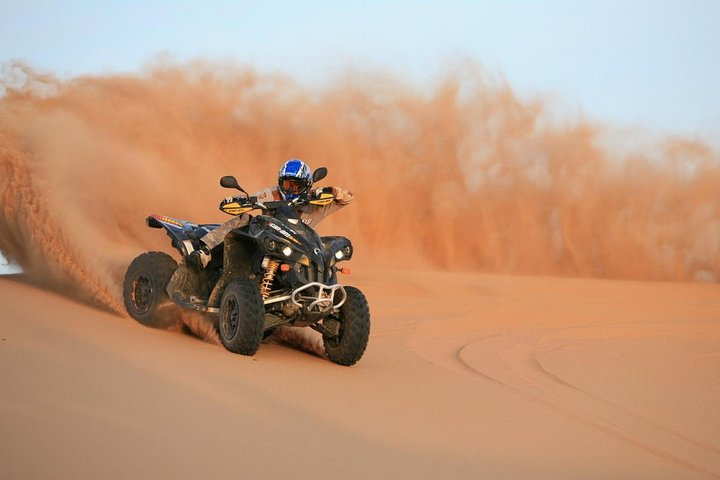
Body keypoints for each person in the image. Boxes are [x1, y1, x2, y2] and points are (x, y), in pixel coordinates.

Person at [185, 158, 353, 270]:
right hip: (269, 245)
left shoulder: (316, 202)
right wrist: (242, 201)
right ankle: (205, 252)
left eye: (297, 185)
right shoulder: (271, 194)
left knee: (329, 253)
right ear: (280, 183)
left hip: (303, 252)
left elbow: (347, 198)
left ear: (307, 184)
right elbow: (253, 200)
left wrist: (333, 191)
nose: (291, 189)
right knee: (245, 219)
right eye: (287, 184)